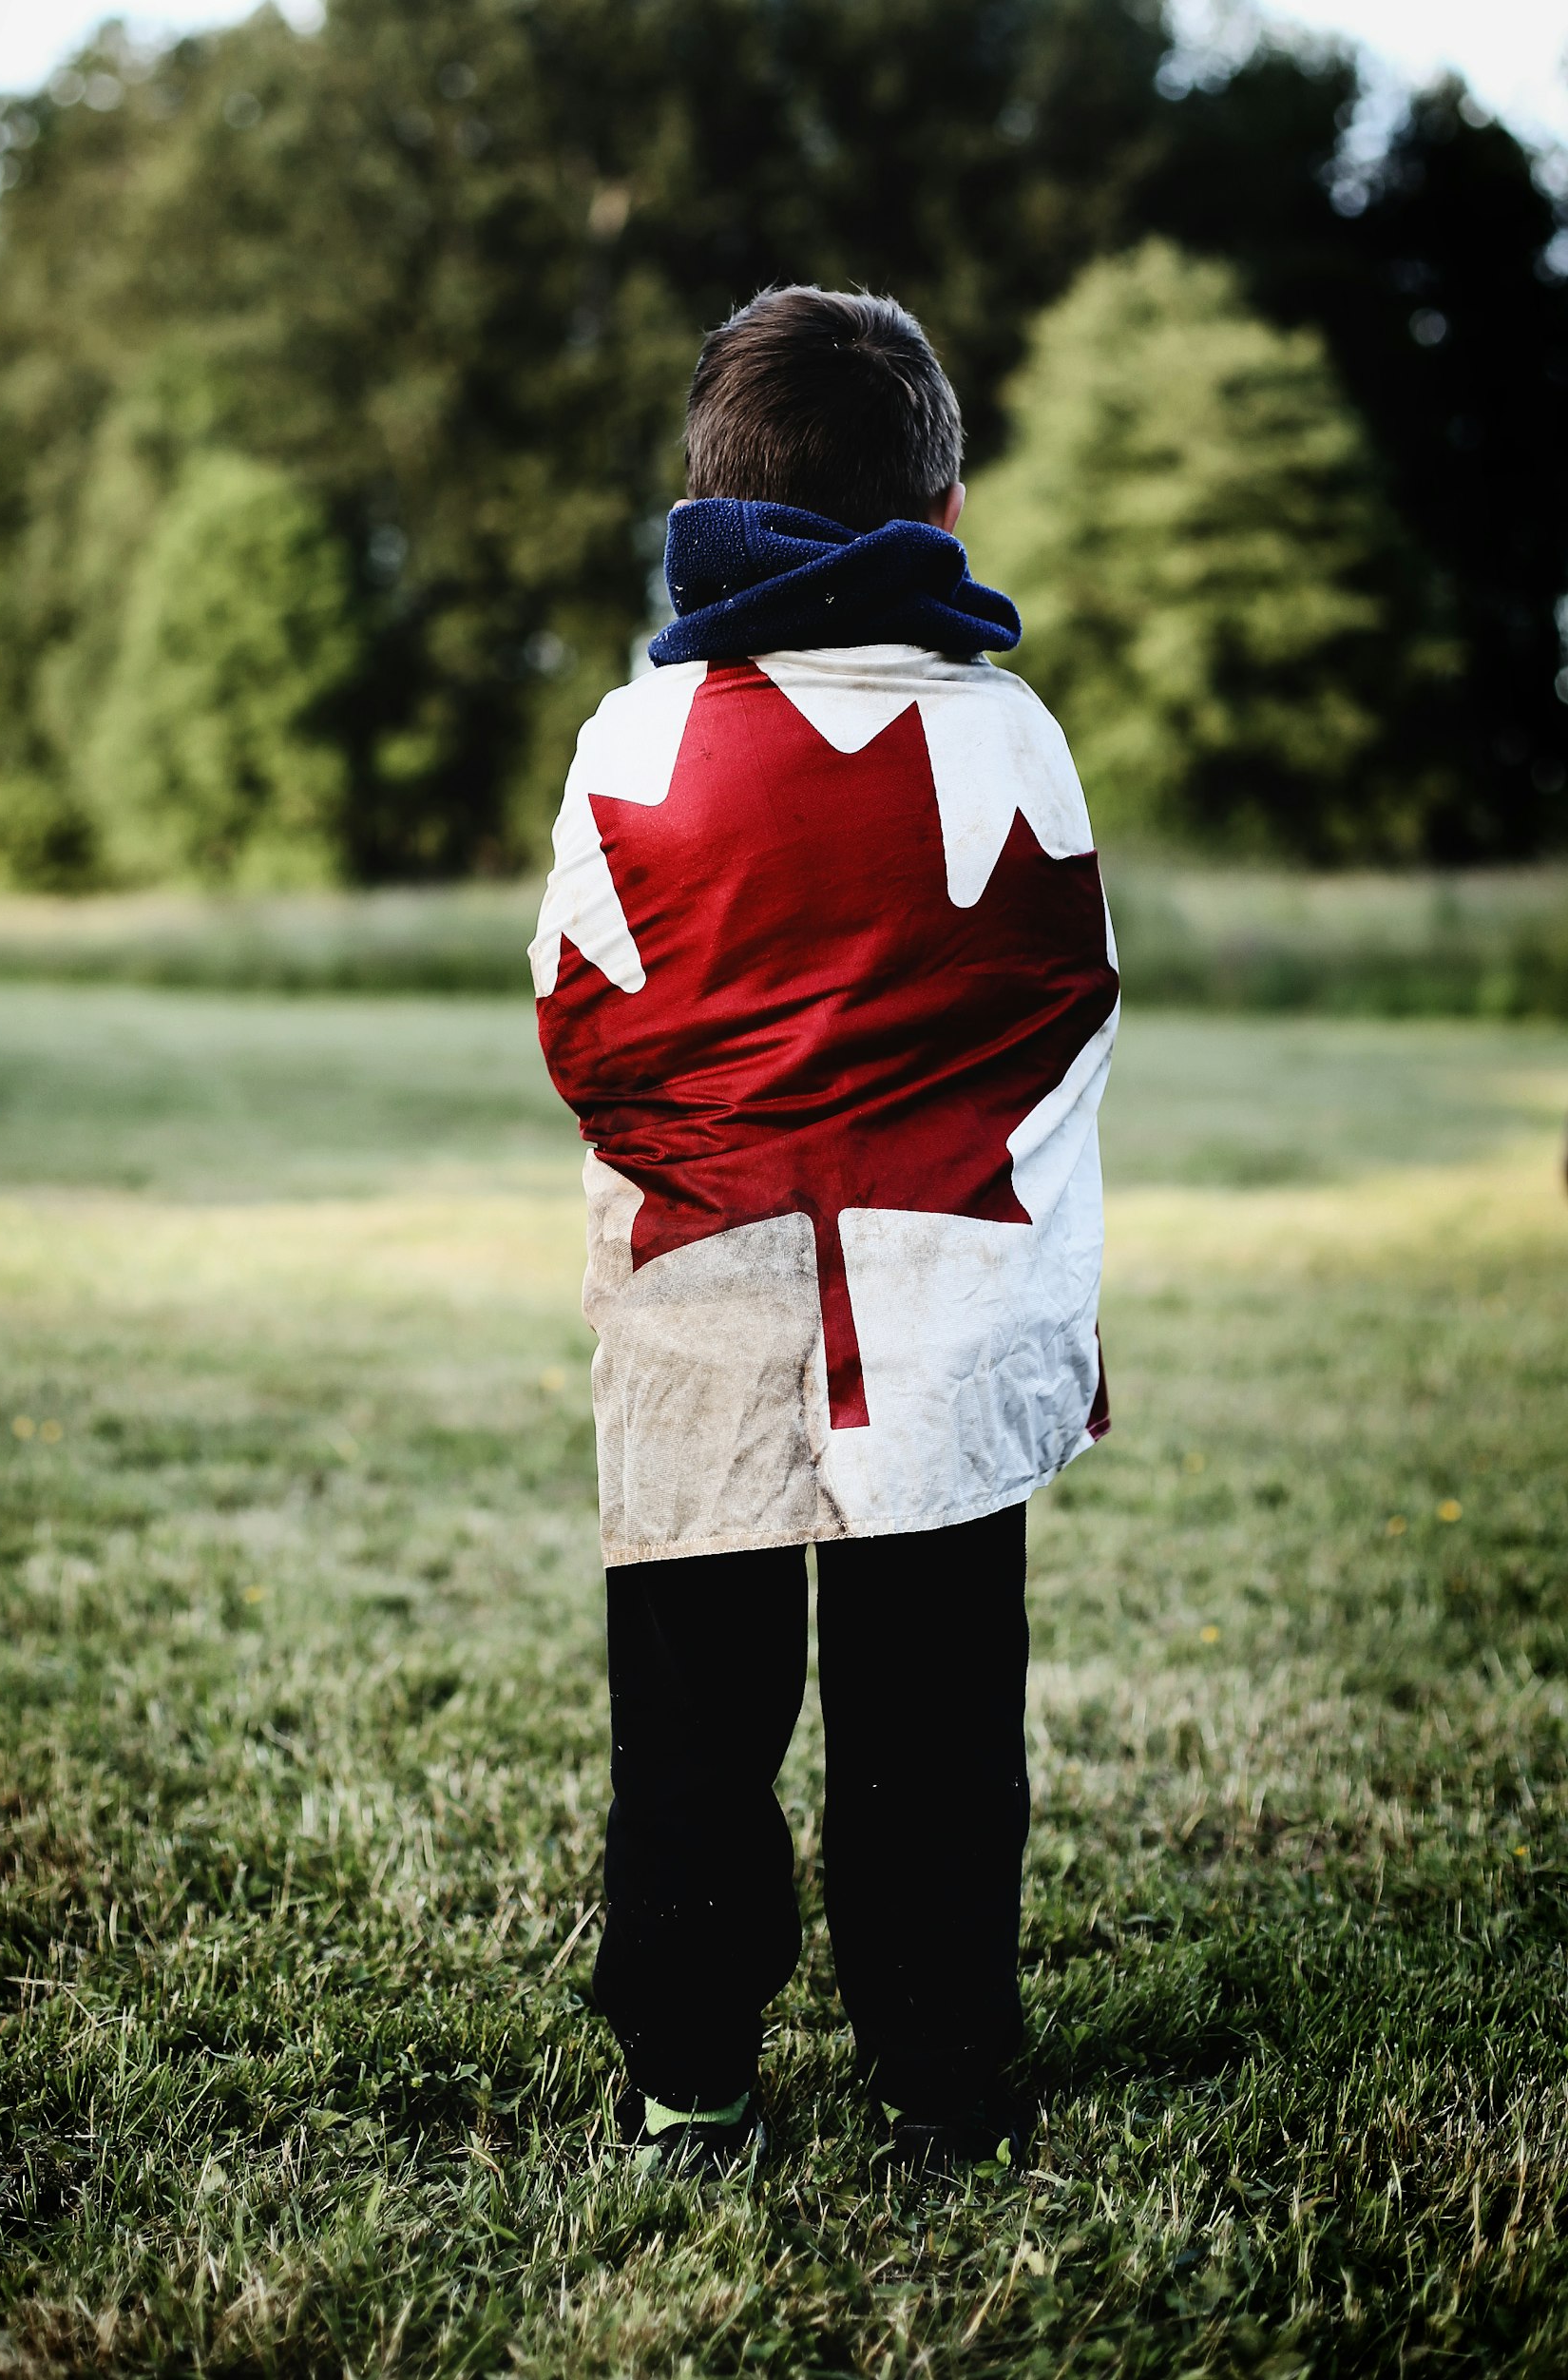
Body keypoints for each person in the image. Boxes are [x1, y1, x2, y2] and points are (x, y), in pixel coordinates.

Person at [529, 285, 1119, 2174]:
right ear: (941, 508)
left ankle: (691, 2072)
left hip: (699, 1302)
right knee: (940, 1718)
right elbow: (1065, 998)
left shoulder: (633, 741)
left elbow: (581, 1025)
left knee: (690, 1719)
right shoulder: (1012, 730)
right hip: (947, 1309)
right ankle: (942, 2074)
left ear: (707, 494)